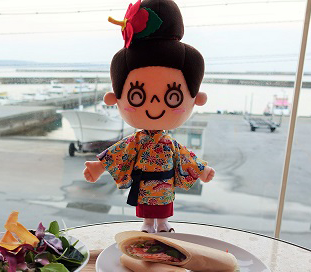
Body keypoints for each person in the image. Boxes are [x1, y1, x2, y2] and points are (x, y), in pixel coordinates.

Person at [83, 0, 215, 233]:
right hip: (144, 184)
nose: (154, 105)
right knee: (146, 211)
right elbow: (119, 152)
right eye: (137, 96)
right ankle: (147, 224)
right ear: (115, 98)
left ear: (197, 98)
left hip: (165, 185)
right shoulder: (138, 141)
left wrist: (202, 169)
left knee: (163, 209)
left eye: (173, 97)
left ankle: (162, 224)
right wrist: (99, 166)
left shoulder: (168, 143)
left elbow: (186, 157)